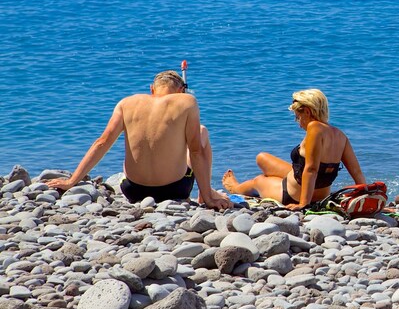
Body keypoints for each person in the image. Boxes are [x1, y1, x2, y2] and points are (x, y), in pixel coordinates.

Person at [47, 70, 230, 209]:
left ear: (152, 89)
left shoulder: (127, 103)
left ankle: (204, 193)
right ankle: (204, 195)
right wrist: (208, 197)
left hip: (133, 190)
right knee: (201, 132)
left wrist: (71, 182)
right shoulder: (186, 101)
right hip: (175, 189)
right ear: (181, 91)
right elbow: (196, 151)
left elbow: (101, 143)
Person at [222, 89, 365, 210]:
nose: (298, 123)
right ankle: (274, 179)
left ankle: (235, 188)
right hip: (320, 192)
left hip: (294, 194)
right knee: (262, 158)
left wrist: (304, 204)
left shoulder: (314, 128)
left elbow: (311, 169)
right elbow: (357, 172)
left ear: (308, 112)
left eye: (298, 117)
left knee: (258, 180)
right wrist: (366, 195)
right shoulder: (340, 135)